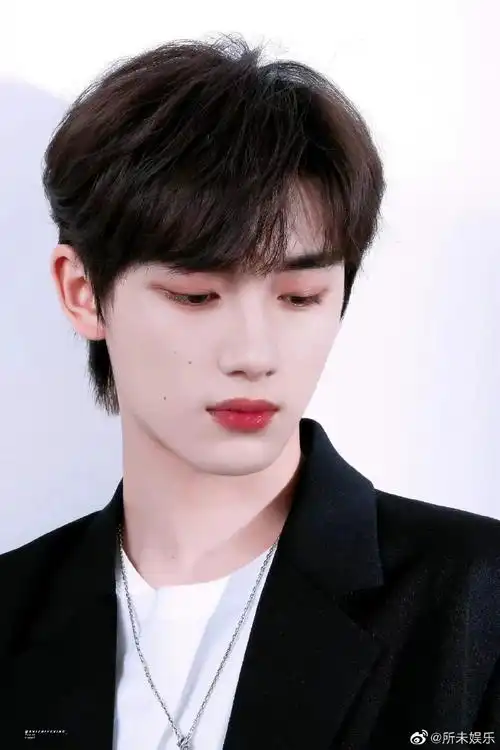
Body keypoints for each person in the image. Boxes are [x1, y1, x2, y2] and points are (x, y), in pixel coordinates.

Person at [1, 32, 499, 750]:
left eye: (299, 297)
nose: (253, 355)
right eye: (196, 296)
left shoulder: (475, 603)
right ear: (83, 292)